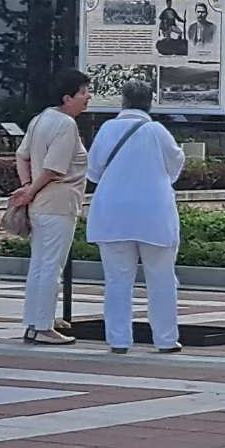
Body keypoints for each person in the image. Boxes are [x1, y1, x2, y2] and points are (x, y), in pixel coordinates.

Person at [86, 79, 186, 354]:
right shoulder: (157, 131)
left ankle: (119, 339)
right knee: (162, 279)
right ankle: (165, 339)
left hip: (112, 214)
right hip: (154, 214)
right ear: (150, 102)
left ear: (123, 102)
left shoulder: (106, 129)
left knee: (117, 280)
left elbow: (93, 172)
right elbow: (176, 164)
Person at [10, 69, 91, 345]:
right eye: (82, 92)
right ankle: (44, 326)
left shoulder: (40, 119)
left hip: (40, 205)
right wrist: (30, 190)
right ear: (67, 97)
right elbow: (54, 169)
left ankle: (34, 322)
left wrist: (27, 187)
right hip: (58, 204)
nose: (87, 97)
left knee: (39, 265)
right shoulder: (66, 125)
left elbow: (21, 156)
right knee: (51, 267)